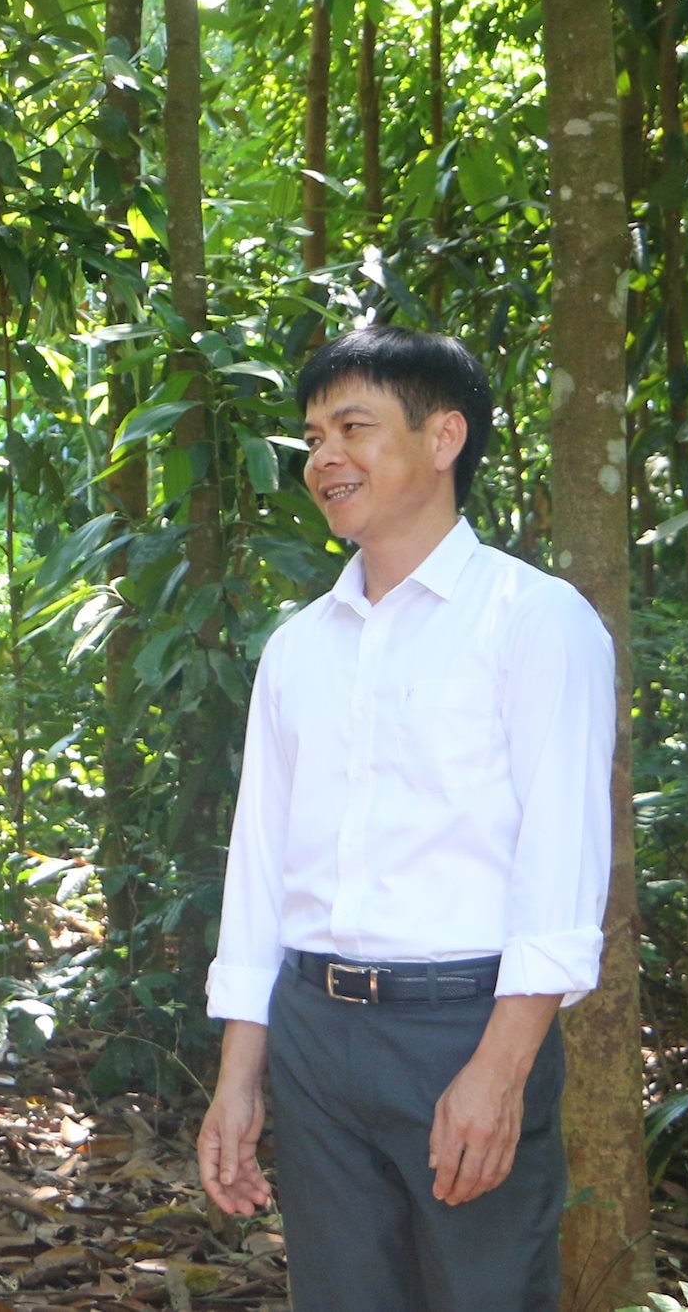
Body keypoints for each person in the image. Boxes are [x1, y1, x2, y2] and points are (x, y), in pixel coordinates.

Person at [194, 324, 615, 1312]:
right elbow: (259, 872)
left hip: (461, 1025)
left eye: (353, 426)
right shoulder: (298, 648)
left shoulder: (534, 617)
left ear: (443, 437)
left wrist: (499, 1070)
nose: (323, 457)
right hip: (312, 1031)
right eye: (311, 435)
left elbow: (561, 865)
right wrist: (237, 1078)